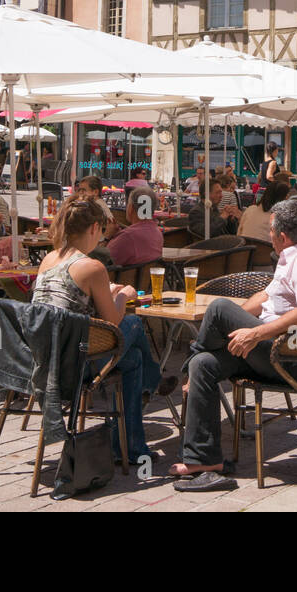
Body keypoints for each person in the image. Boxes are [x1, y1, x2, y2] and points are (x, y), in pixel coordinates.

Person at [171, 199, 297, 489]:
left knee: (219, 308)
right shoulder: (290, 258)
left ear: (282, 235)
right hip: (276, 352)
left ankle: (187, 366)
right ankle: (204, 460)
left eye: (271, 229)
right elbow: (264, 298)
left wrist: (255, 334)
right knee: (204, 364)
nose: (268, 234)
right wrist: (237, 327)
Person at [31, 196, 170, 461]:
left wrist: (106, 293)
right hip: (77, 363)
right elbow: (112, 324)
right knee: (132, 322)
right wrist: (123, 295)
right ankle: (152, 384)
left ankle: (132, 445)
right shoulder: (92, 267)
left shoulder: (48, 259)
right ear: (95, 228)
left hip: (43, 360)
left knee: (134, 360)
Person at [106, 186, 164, 266]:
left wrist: (107, 237)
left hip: (119, 278)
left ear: (131, 208)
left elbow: (101, 259)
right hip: (147, 278)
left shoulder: (127, 236)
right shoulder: (157, 233)